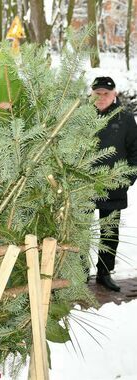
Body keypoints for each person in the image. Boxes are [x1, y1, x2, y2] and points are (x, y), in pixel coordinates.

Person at [91, 76, 137, 292]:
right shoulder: (82, 116)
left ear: (114, 94)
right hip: (84, 185)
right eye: (97, 93)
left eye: (105, 94)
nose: (101, 98)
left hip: (113, 185)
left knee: (109, 232)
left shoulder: (126, 119)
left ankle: (104, 272)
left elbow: (135, 151)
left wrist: (127, 179)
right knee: (79, 230)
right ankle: (79, 271)